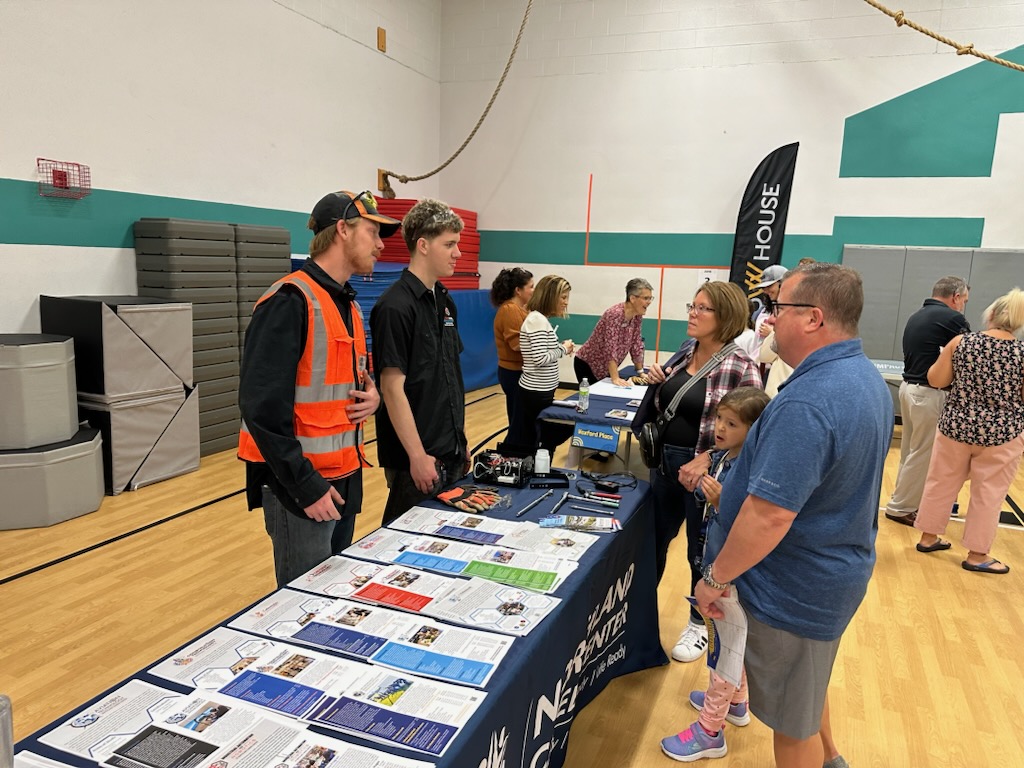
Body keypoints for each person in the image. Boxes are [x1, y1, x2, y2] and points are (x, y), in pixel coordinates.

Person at [694, 263, 892, 768]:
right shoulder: (860, 376)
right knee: (806, 690)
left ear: (813, 318)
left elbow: (768, 517)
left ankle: (817, 754)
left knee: (791, 727)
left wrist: (716, 577)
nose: (770, 318)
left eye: (779, 308)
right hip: (822, 574)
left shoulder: (810, 400)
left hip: (795, 588)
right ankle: (831, 757)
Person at [238, 189, 395, 586]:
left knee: (331, 599)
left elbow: (347, 378)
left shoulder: (349, 305)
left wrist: (372, 394)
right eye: (374, 232)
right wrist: (307, 488)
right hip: (302, 491)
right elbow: (260, 408)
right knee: (303, 607)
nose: (380, 245)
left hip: (344, 481)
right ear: (342, 229)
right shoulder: (289, 301)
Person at [631, 281, 761, 663]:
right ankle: (637, 615)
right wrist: (660, 380)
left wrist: (707, 457)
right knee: (652, 541)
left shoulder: (741, 366)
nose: (692, 312)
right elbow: (673, 399)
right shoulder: (687, 350)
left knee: (700, 552)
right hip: (664, 466)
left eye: (703, 308)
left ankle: (696, 623)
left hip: (703, 472)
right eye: (693, 305)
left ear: (726, 318)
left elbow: (753, 433)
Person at [661, 386, 769, 762]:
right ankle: (737, 703)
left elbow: (754, 522)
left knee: (725, 650)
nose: (720, 428)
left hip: (732, 573)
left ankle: (710, 730)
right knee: (730, 640)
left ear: (754, 429)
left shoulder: (753, 469)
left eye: (732, 423)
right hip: (716, 559)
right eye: (719, 420)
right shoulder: (722, 456)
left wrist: (723, 500)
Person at [371, 198, 468, 526]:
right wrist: (416, 455)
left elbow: (449, 377)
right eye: (450, 244)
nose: (458, 253)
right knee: (400, 549)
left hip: (449, 453)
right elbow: (392, 389)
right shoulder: (395, 307)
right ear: (423, 246)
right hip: (418, 461)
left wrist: (460, 443)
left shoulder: (445, 302)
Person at [914, 288, 1024, 574]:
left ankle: (928, 537)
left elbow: (936, 380)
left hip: (956, 426)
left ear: (990, 314)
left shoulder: (961, 342)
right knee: (989, 493)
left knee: (941, 482)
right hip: (1003, 433)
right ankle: (977, 556)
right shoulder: (1022, 353)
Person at [884, 276, 970, 526]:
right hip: (929, 393)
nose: (963, 305)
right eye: (964, 300)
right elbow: (969, 353)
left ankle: (902, 500)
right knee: (922, 454)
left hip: (908, 389)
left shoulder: (917, 315)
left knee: (911, 452)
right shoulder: (953, 319)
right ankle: (901, 507)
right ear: (955, 297)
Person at [515, 275, 575, 453]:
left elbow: (542, 351)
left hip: (541, 390)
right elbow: (540, 359)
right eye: (562, 297)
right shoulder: (537, 320)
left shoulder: (540, 320)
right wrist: (563, 349)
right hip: (536, 392)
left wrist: (559, 347)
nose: (565, 303)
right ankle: (539, 470)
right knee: (546, 437)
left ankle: (540, 467)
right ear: (550, 296)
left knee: (543, 438)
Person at [574, 278, 653, 386]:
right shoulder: (615, 314)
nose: (649, 302)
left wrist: (640, 372)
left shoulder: (637, 316)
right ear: (633, 298)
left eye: (650, 298)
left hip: (604, 368)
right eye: (646, 298)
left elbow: (636, 343)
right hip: (588, 365)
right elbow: (610, 349)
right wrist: (615, 378)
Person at [490, 267, 534, 447]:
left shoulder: (520, 309)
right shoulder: (510, 310)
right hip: (513, 373)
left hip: (518, 372)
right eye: (531, 286)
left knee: (520, 420)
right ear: (518, 290)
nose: (533, 290)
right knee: (518, 423)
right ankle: (508, 455)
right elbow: (516, 345)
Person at [752, 264, 788, 342]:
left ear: (783, 283)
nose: (766, 290)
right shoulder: (762, 311)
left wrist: (772, 334)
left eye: (769, 286)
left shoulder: (794, 311)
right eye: (763, 287)